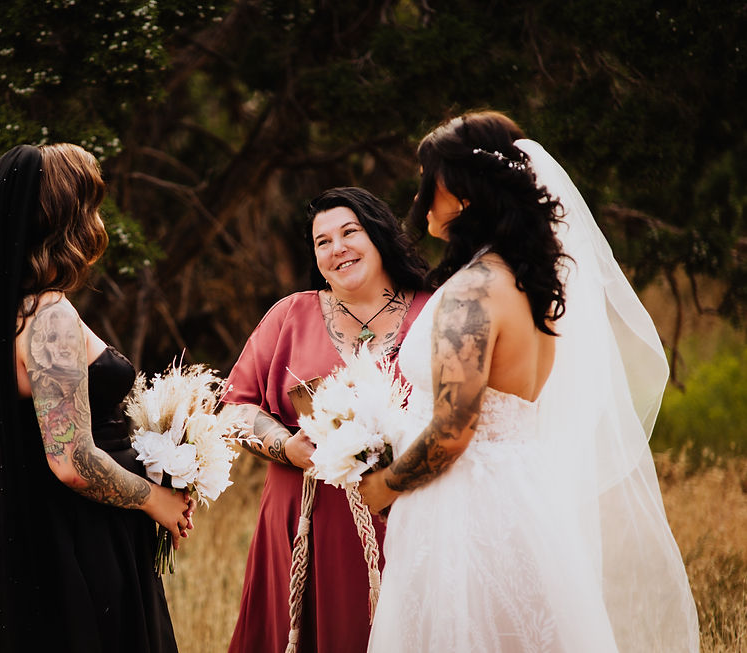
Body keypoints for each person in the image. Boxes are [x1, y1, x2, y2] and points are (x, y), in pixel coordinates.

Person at [359, 111, 699, 651]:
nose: (422, 197)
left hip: (464, 509)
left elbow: (451, 432)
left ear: (464, 194)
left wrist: (382, 486)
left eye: (432, 182)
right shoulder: (525, 282)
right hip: (523, 498)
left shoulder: (471, 293)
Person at [0, 143, 191, 652]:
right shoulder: (49, 318)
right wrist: (156, 499)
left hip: (46, 532)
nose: (96, 219)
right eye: (89, 204)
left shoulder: (7, 314)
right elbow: (71, 459)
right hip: (78, 539)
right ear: (66, 216)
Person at [220, 187, 431, 652]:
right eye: (322, 241)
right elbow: (233, 408)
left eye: (349, 233)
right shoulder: (289, 315)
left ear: (378, 235)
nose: (337, 249)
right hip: (303, 522)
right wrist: (285, 445)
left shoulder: (432, 313)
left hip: (405, 522)